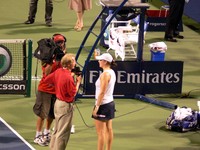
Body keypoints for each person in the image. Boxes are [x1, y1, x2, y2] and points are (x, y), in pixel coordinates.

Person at [33, 34, 67, 146]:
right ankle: (37, 135)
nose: (60, 44)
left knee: (51, 115)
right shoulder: (47, 55)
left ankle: (46, 133)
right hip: (45, 90)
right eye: (58, 42)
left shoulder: (63, 56)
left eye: (62, 42)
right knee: (42, 114)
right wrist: (53, 60)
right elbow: (47, 73)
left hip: (56, 90)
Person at [45, 53, 82, 150]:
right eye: (73, 61)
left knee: (57, 130)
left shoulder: (59, 71)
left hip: (57, 104)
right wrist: (78, 82)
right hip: (65, 106)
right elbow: (73, 93)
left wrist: (58, 86)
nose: (75, 63)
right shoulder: (68, 78)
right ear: (69, 64)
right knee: (63, 133)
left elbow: (47, 80)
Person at [92, 53, 117, 150]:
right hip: (110, 103)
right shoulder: (111, 72)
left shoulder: (105, 75)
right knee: (109, 129)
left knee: (101, 133)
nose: (98, 61)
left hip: (102, 105)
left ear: (105, 62)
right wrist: (96, 55)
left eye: (100, 60)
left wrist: (96, 107)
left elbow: (102, 92)